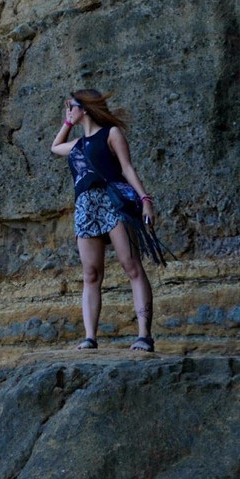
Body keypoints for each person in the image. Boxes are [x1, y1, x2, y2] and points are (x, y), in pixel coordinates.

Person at [50, 89, 156, 352]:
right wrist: (67, 122)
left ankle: (144, 335)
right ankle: (90, 337)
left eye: (71, 106)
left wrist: (145, 199)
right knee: (91, 273)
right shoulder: (77, 144)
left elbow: (127, 168)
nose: (68, 110)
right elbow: (55, 147)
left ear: (84, 108)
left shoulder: (111, 133)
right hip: (86, 207)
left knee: (131, 265)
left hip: (112, 201)